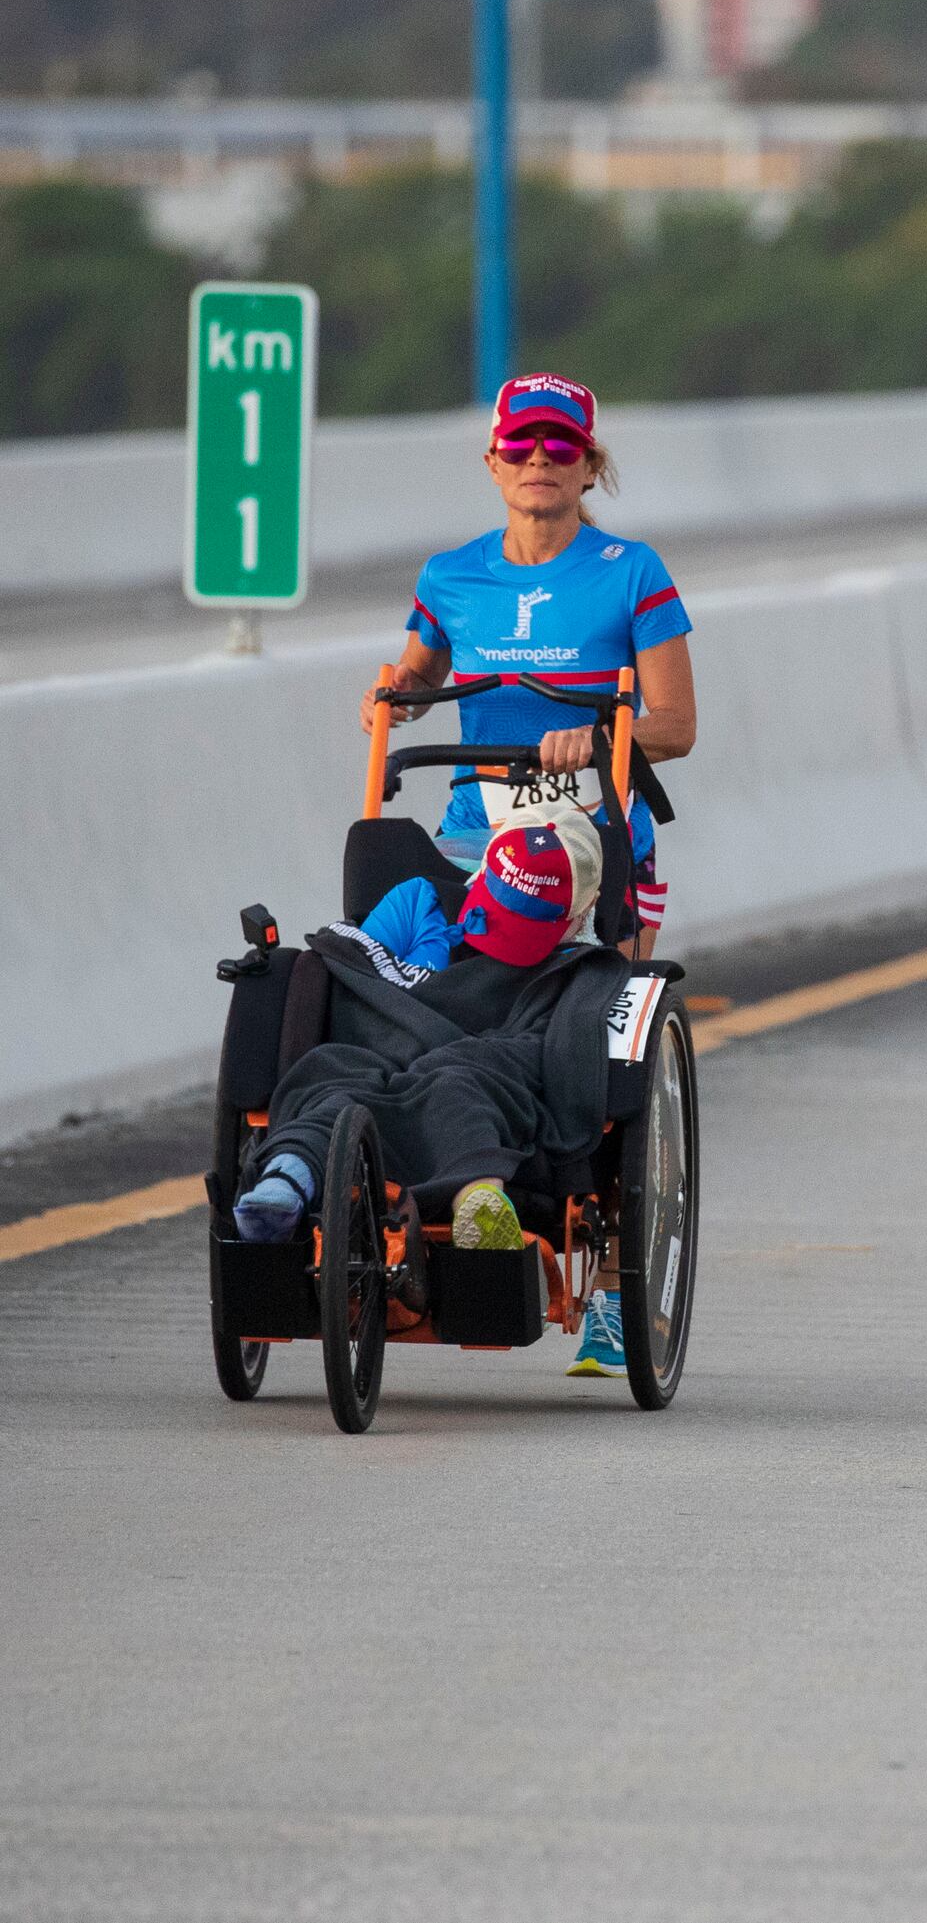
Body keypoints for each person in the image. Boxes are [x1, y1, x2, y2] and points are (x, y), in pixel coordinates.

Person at [363, 372, 697, 1377]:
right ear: (492, 462)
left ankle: (607, 1290)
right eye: (523, 448)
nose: (541, 463)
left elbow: (675, 725)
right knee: (450, 1017)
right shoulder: (453, 575)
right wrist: (403, 694)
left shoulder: (631, 572)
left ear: (592, 464)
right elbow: (417, 673)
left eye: (562, 448)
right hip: (475, 841)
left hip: (598, 841)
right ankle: (449, 1188)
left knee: (600, 1055)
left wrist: (595, 736)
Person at [230, 813, 620, 1267]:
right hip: (380, 1056)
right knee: (335, 1075)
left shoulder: (572, 968)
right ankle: (285, 1180)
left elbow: (548, 1049)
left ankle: (478, 1200)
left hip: (475, 1067)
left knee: (466, 1084)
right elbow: (357, 981)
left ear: (580, 914)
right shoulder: (418, 901)